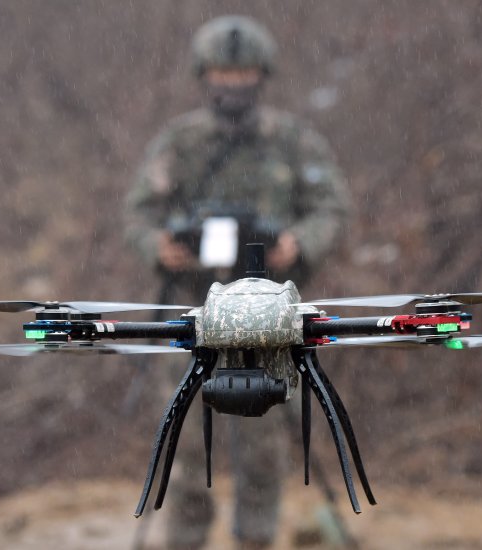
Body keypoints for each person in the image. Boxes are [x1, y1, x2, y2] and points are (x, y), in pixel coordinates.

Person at [124, 15, 349, 549]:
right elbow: (138, 212)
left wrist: (299, 242)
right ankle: (185, 535)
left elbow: (331, 206)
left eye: (243, 73)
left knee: (261, 436)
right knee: (183, 441)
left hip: (265, 311)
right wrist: (159, 245)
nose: (233, 86)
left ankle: (255, 537)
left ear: (261, 75)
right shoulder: (181, 144)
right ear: (205, 77)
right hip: (191, 309)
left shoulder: (292, 142)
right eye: (223, 74)